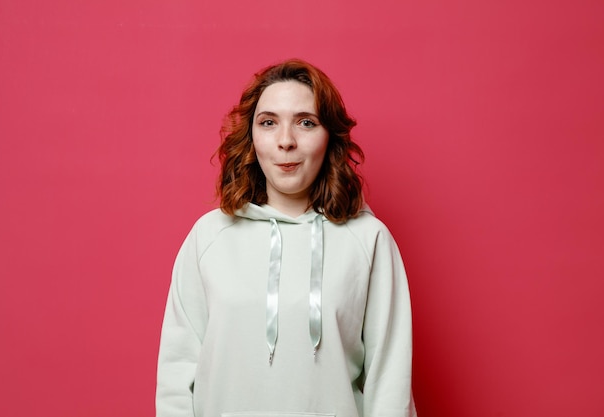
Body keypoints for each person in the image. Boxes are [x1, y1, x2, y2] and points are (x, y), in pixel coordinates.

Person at [156, 59, 416, 417]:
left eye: (306, 123)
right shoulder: (208, 237)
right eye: (268, 123)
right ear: (251, 137)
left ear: (330, 138)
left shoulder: (369, 240)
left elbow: (390, 384)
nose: (286, 142)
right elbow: (176, 377)